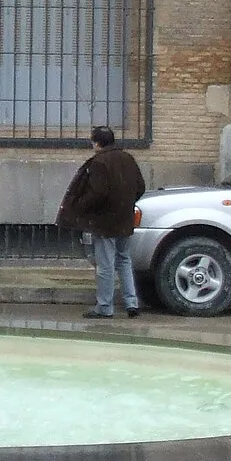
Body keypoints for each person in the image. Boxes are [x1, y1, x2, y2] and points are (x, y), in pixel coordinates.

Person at [55, 124, 146, 319]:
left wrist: (80, 205)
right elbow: (140, 187)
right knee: (124, 260)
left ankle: (105, 307)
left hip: (105, 222)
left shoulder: (99, 163)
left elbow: (97, 193)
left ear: (96, 143)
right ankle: (132, 303)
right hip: (125, 219)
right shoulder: (128, 158)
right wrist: (125, 204)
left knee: (105, 266)